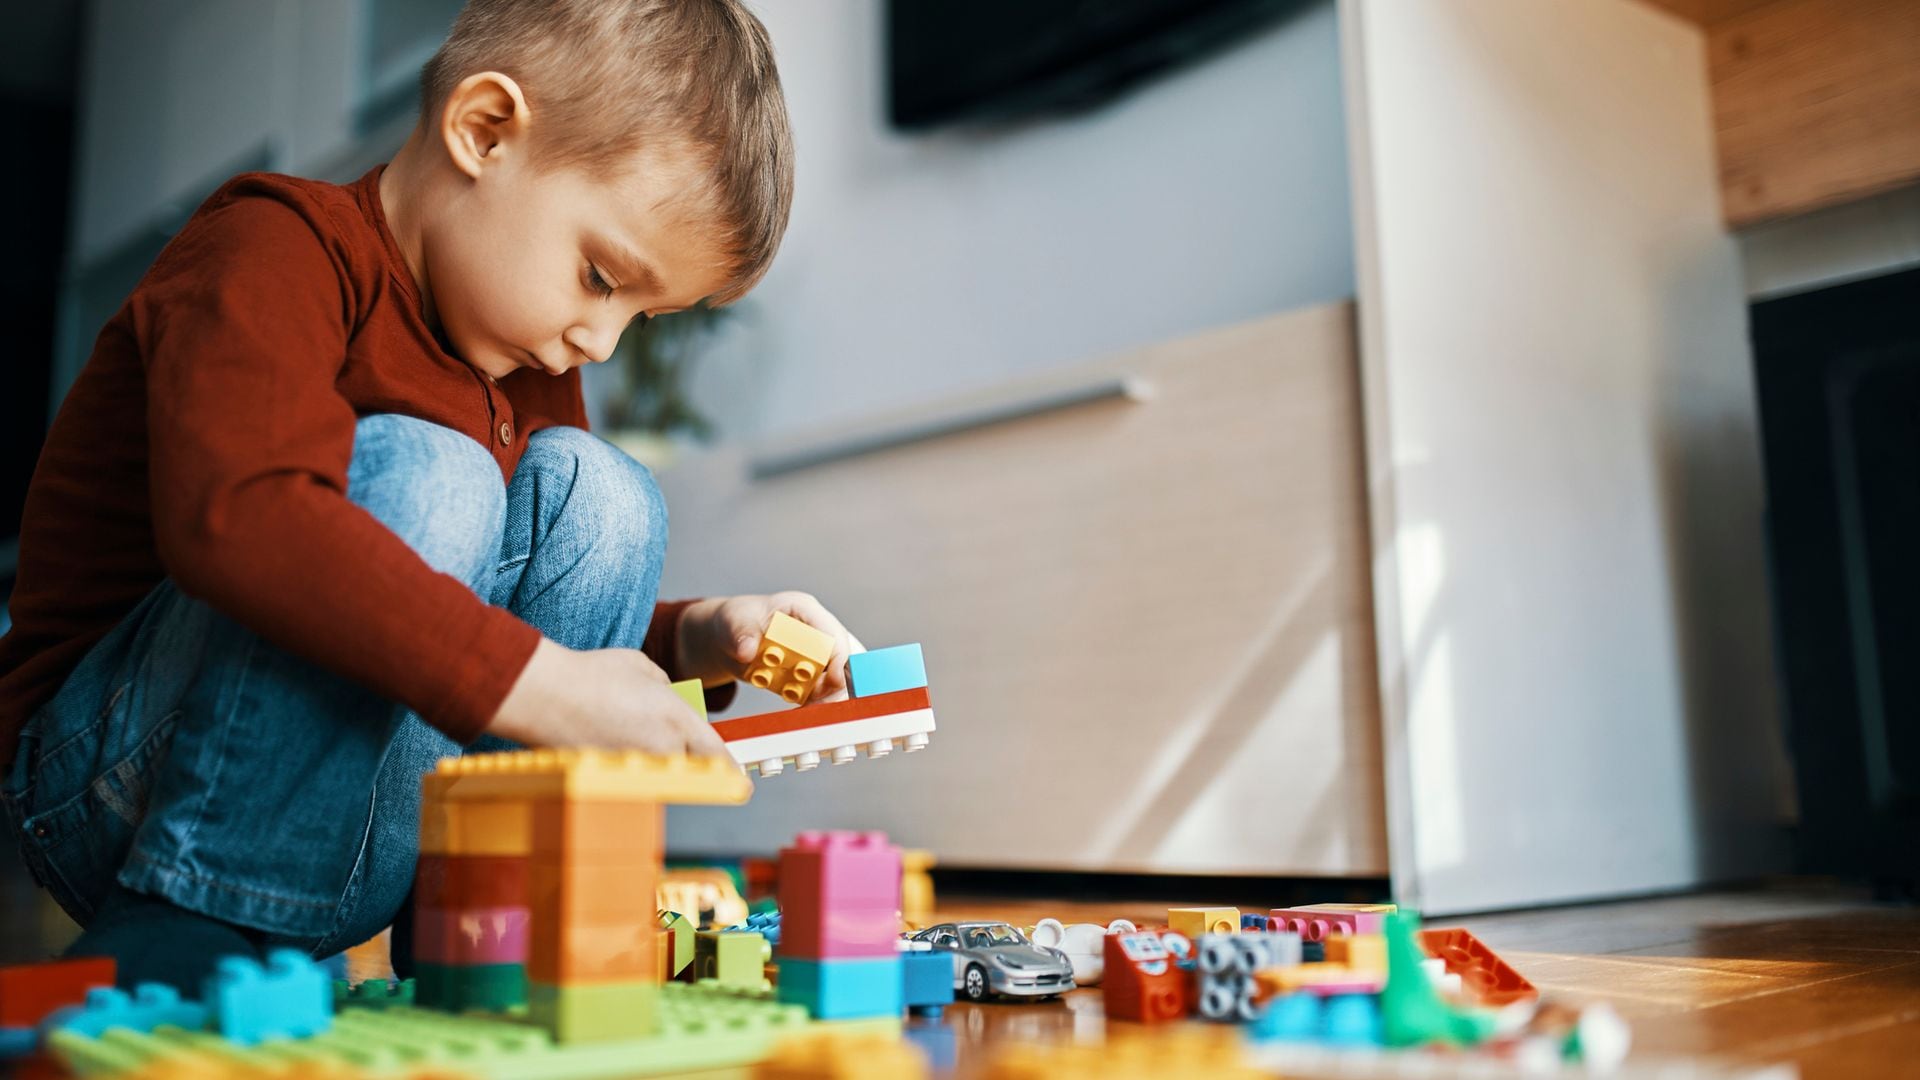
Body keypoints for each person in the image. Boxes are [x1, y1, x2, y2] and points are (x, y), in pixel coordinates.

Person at [0, 0, 855, 991]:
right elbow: (242, 518)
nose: (600, 341)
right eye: (598, 276)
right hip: (123, 797)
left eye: (642, 316)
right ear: (483, 131)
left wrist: (700, 635)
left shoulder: (527, 357)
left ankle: (491, 928)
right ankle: (196, 920)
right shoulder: (274, 245)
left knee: (605, 493)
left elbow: (500, 610)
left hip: (366, 821)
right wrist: (548, 688)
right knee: (437, 472)